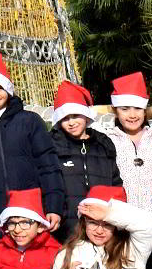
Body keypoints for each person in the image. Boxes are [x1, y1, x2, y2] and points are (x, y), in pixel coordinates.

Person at [0, 55, 62, 246]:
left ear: (8, 89)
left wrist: (54, 205)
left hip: (29, 213)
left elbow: (48, 165)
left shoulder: (29, 121)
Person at [50, 82, 122, 241]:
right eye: (65, 118)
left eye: (75, 116)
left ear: (86, 115)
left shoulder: (103, 145)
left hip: (101, 226)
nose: (71, 122)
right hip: (68, 228)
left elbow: (116, 183)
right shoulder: (54, 146)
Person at [96, 73, 152, 212]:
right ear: (116, 111)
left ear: (145, 111)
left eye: (138, 108)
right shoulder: (107, 140)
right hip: (122, 217)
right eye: (125, 109)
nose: (132, 115)